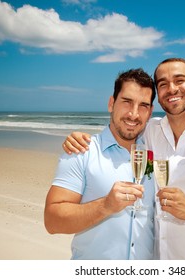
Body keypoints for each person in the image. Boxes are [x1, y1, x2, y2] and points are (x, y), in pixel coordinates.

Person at [63, 58, 185, 260]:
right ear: (158, 96)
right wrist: (81, 139)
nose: (172, 89)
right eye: (163, 84)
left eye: (179, 80)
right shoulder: (150, 132)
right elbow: (124, 126)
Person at [44, 68, 156, 259]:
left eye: (143, 105)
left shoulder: (156, 152)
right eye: (127, 102)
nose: (134, 114)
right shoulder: (81, 151)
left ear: (150, 112)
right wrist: (106, 205)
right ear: (111, 103)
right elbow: (52, 221)